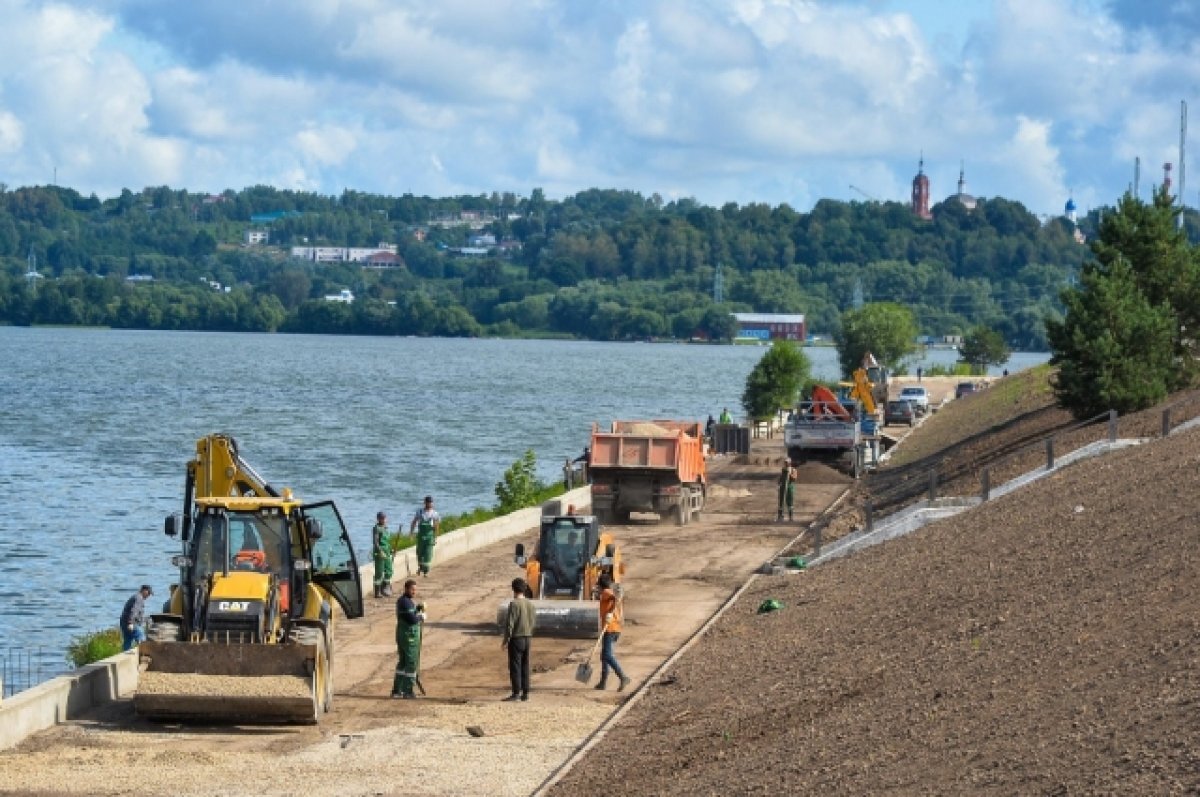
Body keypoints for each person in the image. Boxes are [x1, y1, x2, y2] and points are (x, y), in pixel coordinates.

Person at [501, 577, 536, 701]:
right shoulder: (530, 604)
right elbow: (533, 621)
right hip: (528, 638)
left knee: (515, 666)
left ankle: (516, 692)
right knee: (525, 665)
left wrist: (506, 641)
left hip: (516, 638)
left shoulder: (514, 604)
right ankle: (525, 693)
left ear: (513, 589)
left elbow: (510, 624)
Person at [594, 575, 630, 692]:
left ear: (601, 585)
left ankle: (622, 676)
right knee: (604, 655)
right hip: (615, 628)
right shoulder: (610, 593)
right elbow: (615, 599)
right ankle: (603, 682)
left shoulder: (606, 592)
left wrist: (610, 612)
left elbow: (613, 597)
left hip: (610, 628)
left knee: (607, 655)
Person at [391, 579, 425, 699]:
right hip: (408, 638)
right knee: (411, 663)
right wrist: (420, 617)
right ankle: (408, 691)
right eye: (412, 589)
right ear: (406, 589)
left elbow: (411, 614)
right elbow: (411, 619)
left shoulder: (406, 601)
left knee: (403, 663)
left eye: (415, 590)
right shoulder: (405, 602)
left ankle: (397, 690)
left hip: (404, 636)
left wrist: (418, 610)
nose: (414, 592)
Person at [409, 496, 441, 577]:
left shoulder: (434, 514)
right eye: (428, 502)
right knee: (419, 553)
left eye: (431, 502)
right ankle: (420, 567)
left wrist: (435, 537)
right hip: (421, 536)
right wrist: (411, 533)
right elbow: (414, 522)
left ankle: (426, 571)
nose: (430, 504)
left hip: (429, 536)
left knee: (428, 553)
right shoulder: (420, 512)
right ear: (425, 503)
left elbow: (436, 526)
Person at [119, 584, 153, 651]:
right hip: (132, 623)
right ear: (144, 591)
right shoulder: (139, 598)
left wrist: (146, 619)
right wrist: (130, 623)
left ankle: (125, 655)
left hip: (124, 622)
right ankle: (143, 654)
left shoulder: (135, 597)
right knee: (141, 637)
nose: (149, 596)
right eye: (148, 593)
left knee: (128, 640)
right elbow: (134, 610)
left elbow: (136, 612)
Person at [372, 512, 393, 598]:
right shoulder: (376, 528)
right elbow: (376, 542)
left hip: (387, 551)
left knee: (389, 570)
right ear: (378, 519)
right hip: (379, 552)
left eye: (384, 518)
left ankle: (385, 587)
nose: (384, 520)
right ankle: (377, 593)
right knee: (379, 572)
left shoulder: (386, 528)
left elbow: (387, 541)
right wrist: (380, 551)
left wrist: (390, 549)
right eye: (382, 518)